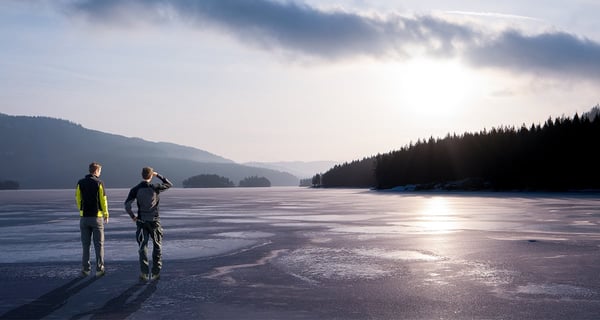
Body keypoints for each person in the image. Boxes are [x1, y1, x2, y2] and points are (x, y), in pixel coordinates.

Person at [125, 167, 173, 281]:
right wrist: (158, 175)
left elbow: (127, 205)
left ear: (141, 175)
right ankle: (156, 273)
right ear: (151, 176)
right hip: (154, 221)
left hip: (141, 222)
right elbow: (169, 184)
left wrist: (133, 216)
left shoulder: (135, 189)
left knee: (143, 247)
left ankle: (144, 273)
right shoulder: (155, 187)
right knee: (157, 246)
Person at [76, 162, 109, 277]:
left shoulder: (80, 183)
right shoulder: (99, 183)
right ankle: (100, 269)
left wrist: (82, 211)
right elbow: (103, 199)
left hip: (84, 218)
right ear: (96, 171)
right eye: (100, 171)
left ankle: (86, 269)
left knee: (86, 245)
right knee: (99, 244)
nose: (100, 173)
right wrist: (106, 214)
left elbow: (78, 198)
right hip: (97, 218)